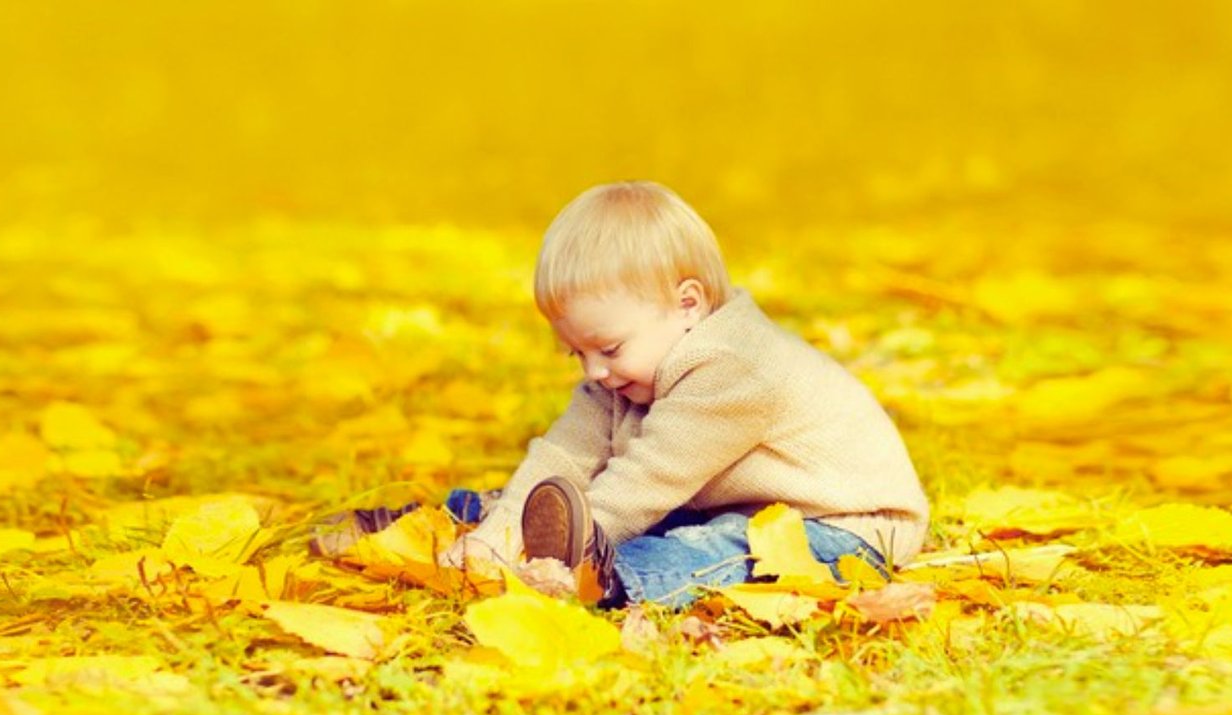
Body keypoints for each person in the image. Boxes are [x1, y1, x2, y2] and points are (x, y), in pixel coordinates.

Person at [351, 180, 930, 608]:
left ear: (688, 305)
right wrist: (497, 537)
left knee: (718, 548)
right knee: (585, 498)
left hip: (842, 525)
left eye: (608, 348)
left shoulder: (736, 370)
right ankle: (478, 518)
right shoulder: (627, 369)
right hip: (739, 500)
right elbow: (564, 454)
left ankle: (608, 577)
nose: (594, 371)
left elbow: (645, 481)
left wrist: (558, 550)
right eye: (576, 353)